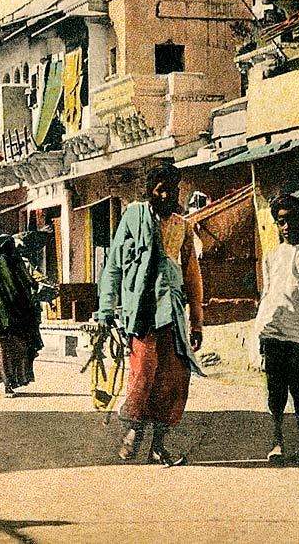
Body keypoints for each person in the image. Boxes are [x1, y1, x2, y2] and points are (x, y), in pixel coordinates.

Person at [96, 162, 203, 467]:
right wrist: (106, 310)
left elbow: (192, 275)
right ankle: (134, 431)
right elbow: (114, 265)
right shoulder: (134, 215)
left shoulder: (183, 226)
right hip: (142, 313)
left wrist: (197, 319)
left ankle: (159, 446)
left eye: (173, 188)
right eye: (161, 188)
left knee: (174, 380)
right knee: (143, 374)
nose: (167, 193)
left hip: (172, 314)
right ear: (149, 190)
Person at [251, 194, 299, 466]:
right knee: (276, 393)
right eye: (281, 222)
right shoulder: (271, 257)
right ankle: (277, 442)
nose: (287, 227)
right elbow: (267, 293)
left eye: (292, 220)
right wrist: (262, 332)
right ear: (276, 225)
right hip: (274, 332)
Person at [0, 235, 44, 396]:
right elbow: (31, 284)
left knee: (4, 352)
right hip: (19, 317)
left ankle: (8, 384)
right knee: (17, 350)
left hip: (1, 319)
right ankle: (12, 382)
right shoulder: (18, 264)